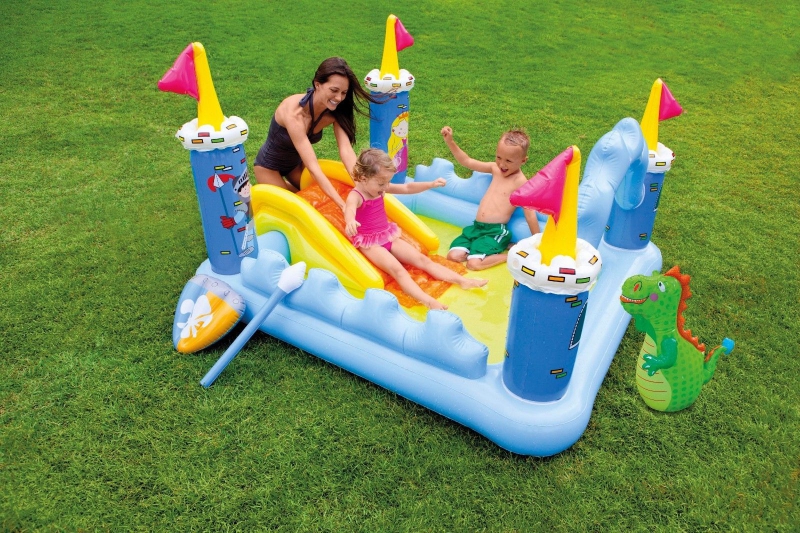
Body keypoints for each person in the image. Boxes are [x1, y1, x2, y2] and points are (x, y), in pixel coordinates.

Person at [344, 149, 488, 310]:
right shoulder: (356, 195)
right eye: (381, 183)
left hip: (387, 235)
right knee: (398, 271)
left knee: (423, 260)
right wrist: (350, 221)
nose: (385, 187)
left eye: (387, 182)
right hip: (371, 244)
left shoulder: (378, 187)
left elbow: (407, 188)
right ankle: (429, 301)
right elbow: (349, 209)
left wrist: (430, 184)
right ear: (364, 178)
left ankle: (463, 281)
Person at [253, 57, 381, 210]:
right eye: (334, 90)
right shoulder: (294, 114)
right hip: (269, 166)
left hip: (295, 166)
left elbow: (346, 151)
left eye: (343, 93)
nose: (339, 98)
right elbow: (313, 167)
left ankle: (286, 189)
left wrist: (362, 186)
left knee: (318, 201)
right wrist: (342, 205)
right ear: (317, 84)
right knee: (293, 208)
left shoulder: (335, 113)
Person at [440, 126, 541, 271]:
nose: (502, 164)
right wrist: (450, 141)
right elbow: (467, 161)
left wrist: (538, 243)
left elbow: (530, 215)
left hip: (495, 232)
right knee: (453, 256)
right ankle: (488, 249)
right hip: (476, 228)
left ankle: (511, 254)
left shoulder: (521, 183)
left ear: (523, 160)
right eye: (499, 157)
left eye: (508, 161)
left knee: (473, 264)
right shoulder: (495, 169)